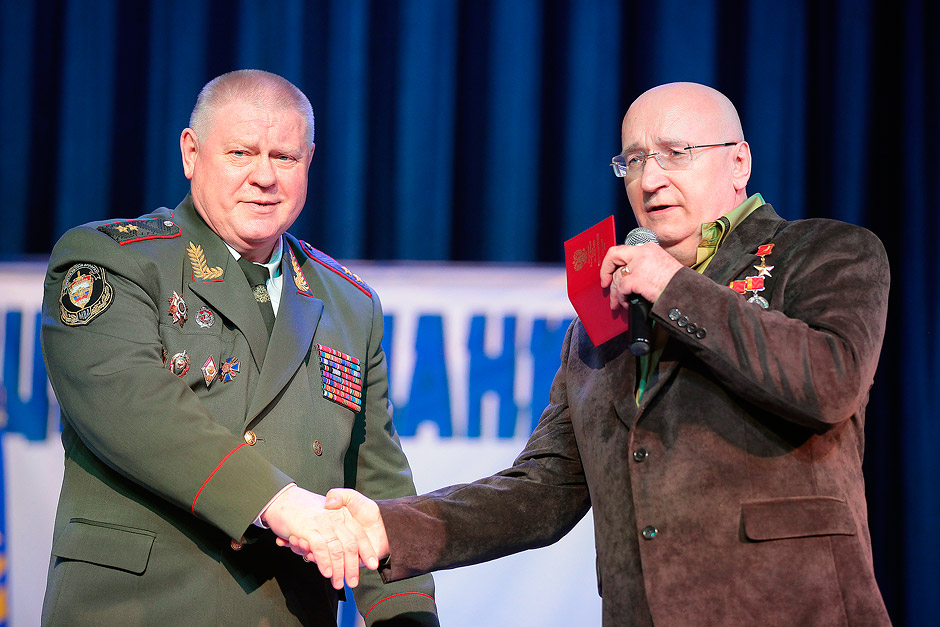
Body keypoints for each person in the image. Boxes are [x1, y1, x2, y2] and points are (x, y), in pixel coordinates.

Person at [313, 82, 892, 625]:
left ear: (738, 162)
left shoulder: (823, 252)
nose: (650, 179)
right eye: (633, 160)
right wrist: (391, 526)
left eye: (676, 153)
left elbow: (830, 382)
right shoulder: (598, 325)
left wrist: (672, 287)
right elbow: (544, 489)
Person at [40, 69, 438, 626]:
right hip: (141, 609)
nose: (264, 177)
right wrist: (279, 503)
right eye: (241, 153)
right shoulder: (112, 260)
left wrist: (406, 618)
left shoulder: (350, 304)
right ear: (191, 153)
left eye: (285, 157)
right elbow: (134, 407)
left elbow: (378, 483)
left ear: (309, 162)